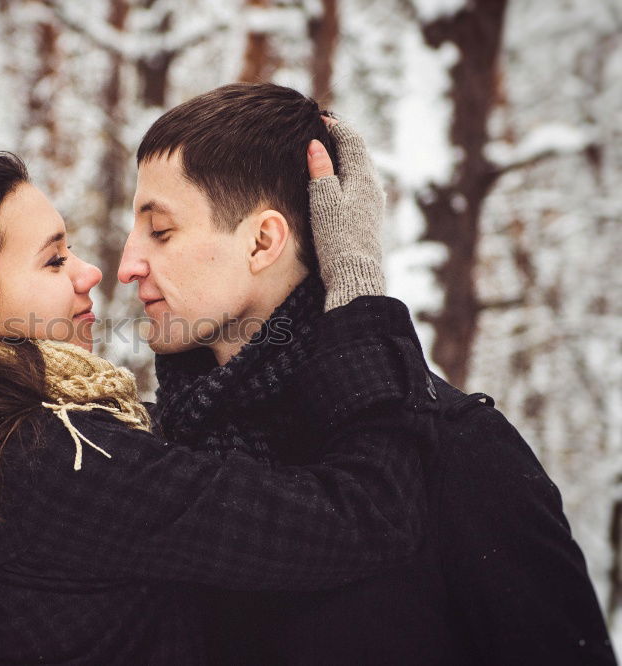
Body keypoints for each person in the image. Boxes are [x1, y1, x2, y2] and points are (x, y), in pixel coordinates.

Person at [0, 131, 436, 663]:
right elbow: (363, 519)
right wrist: (358, 296)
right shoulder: (48, 462)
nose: (93, 272)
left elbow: (185, 492)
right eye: (55, 261)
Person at [120, 82, 616, 665]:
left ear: (262, 241)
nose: (127, 264)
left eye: (160, 231)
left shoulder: (457, 451)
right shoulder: (155, 450)